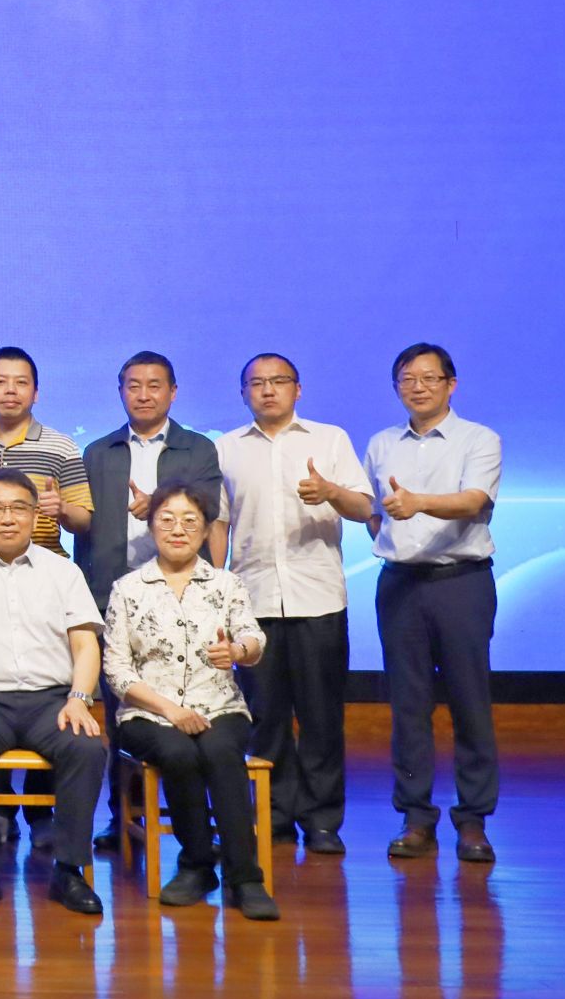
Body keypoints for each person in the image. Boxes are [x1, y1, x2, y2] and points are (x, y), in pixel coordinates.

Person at [211, 353, 372, 855]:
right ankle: (273, 815)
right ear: (243, 393)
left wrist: (330, 491)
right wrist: (214, 589)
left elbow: (363, 507)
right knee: (265, 715)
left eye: (278, 381)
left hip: (318, 597)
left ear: (297, 389)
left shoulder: (330, 439)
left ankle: (322, 821)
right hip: (252, 600)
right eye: (256, 383)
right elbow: (219, 522)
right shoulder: (226, 448)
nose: (268, 390)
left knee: (322, 716)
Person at [104, 482, 279, 920]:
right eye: (166, 520)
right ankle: (197, 864)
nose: (177, 530)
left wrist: (237, 651)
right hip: (148, 713)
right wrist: (171, 711)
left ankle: (245, 877)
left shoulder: (226, 584)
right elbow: (117, 670)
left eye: (189, 521)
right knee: (178, 752)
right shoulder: (128, 589)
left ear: (204, 531)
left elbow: (253, 638)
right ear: (151, 527)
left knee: (219, 750)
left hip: (219, 706)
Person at [0, 468, 107, 917]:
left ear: (36, 515)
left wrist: (79, 698)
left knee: (86, 747)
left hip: (51, 700)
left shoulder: (63, 571)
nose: (7, 518)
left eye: (18, 508)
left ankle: (70, 871)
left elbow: (85, 643)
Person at [74, 351, 223, 850]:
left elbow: (207, 511)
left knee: (192, 705)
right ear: (121, 392)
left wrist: (157, 504)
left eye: (154, 385)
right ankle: (125, 816)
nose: (143, 394)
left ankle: (196, 819)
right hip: (113, 596)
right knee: (123, 713)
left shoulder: (198, 448)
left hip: (182, 598)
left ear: (173, 392)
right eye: (133, 385)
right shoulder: (98, 452)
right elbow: (84, 529)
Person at [0, 346, 92, 848]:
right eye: (0, 381)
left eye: (21, 382)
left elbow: (83, 518)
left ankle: (43, 815)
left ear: (36, 391)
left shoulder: (62, 446)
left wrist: (59, 508)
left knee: (45, 690)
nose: (10, 391)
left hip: (40, 573)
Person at [363, 342, 503, 864]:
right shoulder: (381, 443)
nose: (417, 387)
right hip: (399, 585)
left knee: (471, 701)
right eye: (407, 378)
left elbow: (474, 501)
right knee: (408, 705)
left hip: (461, 582)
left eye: (428, 377)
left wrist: (418, 504)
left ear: (451, 384)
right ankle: (416, 817)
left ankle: (474, 820)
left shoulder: (479, 439)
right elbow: (374, 513)